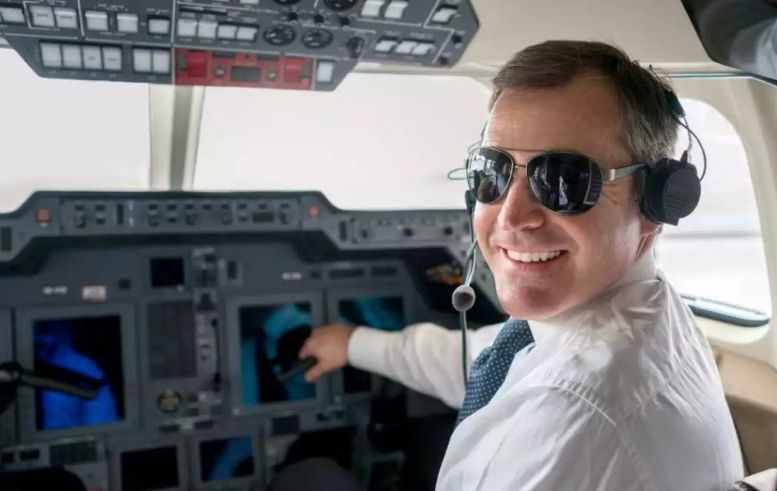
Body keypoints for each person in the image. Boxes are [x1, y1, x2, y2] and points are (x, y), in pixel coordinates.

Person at [299, 40, 745, 490]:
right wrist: (354, 342)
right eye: (492, 171)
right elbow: (486, 362)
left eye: (564, 180)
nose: (511, 216)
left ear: (657, 202)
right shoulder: (645, 310)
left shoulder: (569, 415)